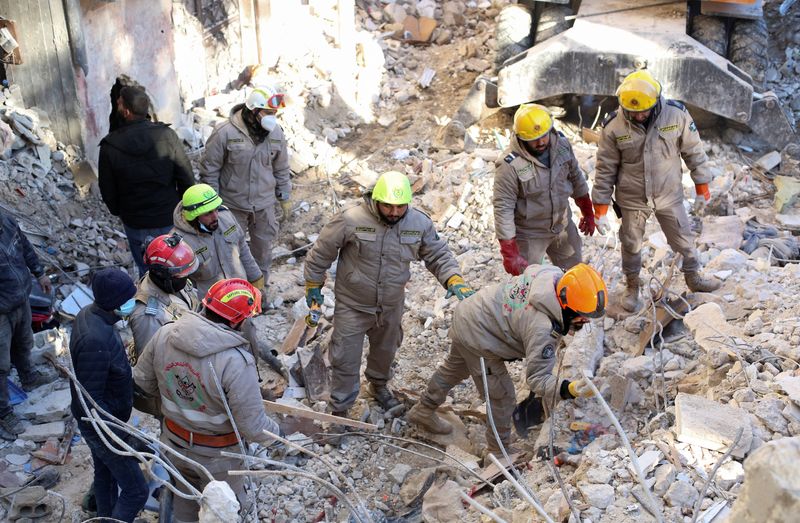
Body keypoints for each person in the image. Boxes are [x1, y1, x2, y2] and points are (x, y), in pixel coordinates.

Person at [303, 171, 474, 417]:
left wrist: (453, 278)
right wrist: (313, 286)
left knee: (385, 353)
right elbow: (320, 254)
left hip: (391, 305)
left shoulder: (419, 224)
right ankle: (339, 411)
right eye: (388, 206)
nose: (394, 213)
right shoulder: (350, 220)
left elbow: (437, 255)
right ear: (375, 200)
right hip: (353, 305)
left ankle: (378, 387)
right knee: (345, 359)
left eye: (400, 207)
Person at [407, 263, 606, 458]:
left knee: (453, 370)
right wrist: (568, 389)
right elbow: (537, 379)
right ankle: (498, 451)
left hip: (473, 312)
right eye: (582, 317)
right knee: (501, 397)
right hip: (480, 337)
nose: (585, 321)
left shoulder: (552, 275)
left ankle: (424, 409)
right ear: (566, 305)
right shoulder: (542, 329)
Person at [133, 278, 281, 521]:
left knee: (185, 504)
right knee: (223, 512)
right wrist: (279, 437)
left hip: (173, 443)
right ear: (238, 320)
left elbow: (143, 383)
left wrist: (181, 402)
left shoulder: (165, 333)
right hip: (218, 457)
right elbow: (253, 427)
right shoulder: (235, 362)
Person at [591, 70, 720, 312]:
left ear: (656, 101)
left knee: (684, 238)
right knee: (631, 244)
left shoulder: (677, 115)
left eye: (644, 110)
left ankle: (694, 278)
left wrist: (702, 186)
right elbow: (605, 168)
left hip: (668, 195)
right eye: (633, 111)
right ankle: (632, 287)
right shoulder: (613, 127)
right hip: (632, 199)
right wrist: (600, 209)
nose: (639, 115)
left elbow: (694, 152)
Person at [69, 268, 148, 522]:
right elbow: (92, 403)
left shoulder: (91, 315)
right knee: (137, 491)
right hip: (102, 426)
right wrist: (121, 438)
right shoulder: (95, 340)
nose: (131, 303)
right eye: (128, 299)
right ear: (115, 303)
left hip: (104, 422)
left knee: (105, 475)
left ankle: (104, 516)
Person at [200, 84, 291, 296]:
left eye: (274, 113)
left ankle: (261, 295)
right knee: (232, 253)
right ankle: (236, 298)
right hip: (232, 207)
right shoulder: (225, 133)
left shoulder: (276, 133)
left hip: (264, 205)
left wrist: (284, 195)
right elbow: (209, 171)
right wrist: (214, 207)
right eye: (268, 112)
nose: (272, 117)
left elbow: (281, 167)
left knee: (263, 252)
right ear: (253, 111)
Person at [98, 85, 195, 276]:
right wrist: (186, 212)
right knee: (178, 268)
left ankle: (153, 305)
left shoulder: (110, 146)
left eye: (118, 104)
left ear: (125, 111)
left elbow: (108, 190)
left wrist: (122, 212)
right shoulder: (167, 135)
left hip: (136, 222)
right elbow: (186, 177)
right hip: (169, 216)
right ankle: (182, 304)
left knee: (148, 273)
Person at [494, 103, 595, 275]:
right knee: (528, 284)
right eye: (534, 139)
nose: (541, 142)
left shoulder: (562, 145)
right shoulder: (509, 165)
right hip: (529, 234)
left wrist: (588, 211)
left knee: (575, 275)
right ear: (521, 138)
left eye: (544, 135)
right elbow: (503, 208)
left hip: (562, 225)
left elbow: (576, 178)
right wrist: (509, 252)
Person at [0, 211, 51, 437]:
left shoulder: (6, 220)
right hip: (1, 310)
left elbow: (26, 248)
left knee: (24, 342)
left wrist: (40, 273)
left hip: (21, 299)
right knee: (0, 365)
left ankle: (29, 377)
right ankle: (4, 413)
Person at [171, 184, 263, 298]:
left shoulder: (226, 217)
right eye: (208, 213)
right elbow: (180, 285)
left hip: (241, 293)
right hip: (209, 305)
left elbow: (242, 248)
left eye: (215, 209)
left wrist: (255, 277)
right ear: (193, 216)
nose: (215, 216)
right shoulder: (179, 243)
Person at [129, 233, 200, 357]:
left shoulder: (175, 281)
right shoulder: (147, 317)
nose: (186, 278)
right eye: (181, 276)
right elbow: (151, 362)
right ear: (162, 275)